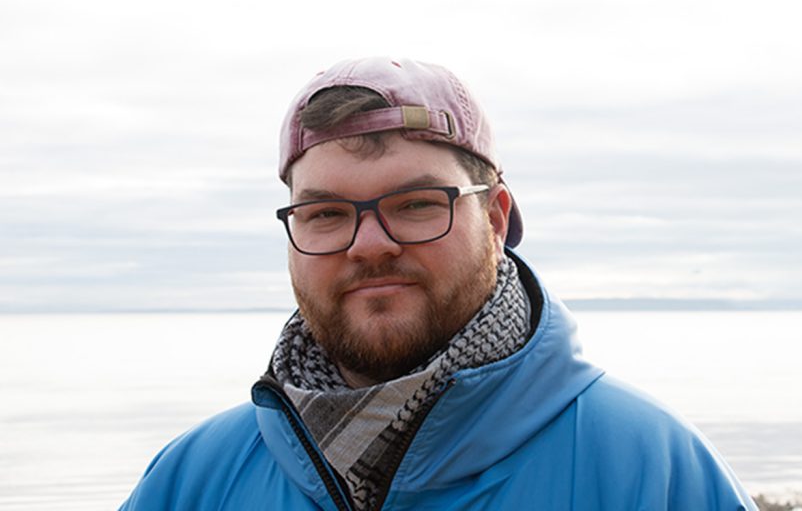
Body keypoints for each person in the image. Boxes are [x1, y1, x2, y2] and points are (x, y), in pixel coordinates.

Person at [120, 57, 758, 511]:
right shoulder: (192, 480)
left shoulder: (650, 470)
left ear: (497, 217)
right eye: (325, 213)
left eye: (418, 203)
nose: (369, 244)